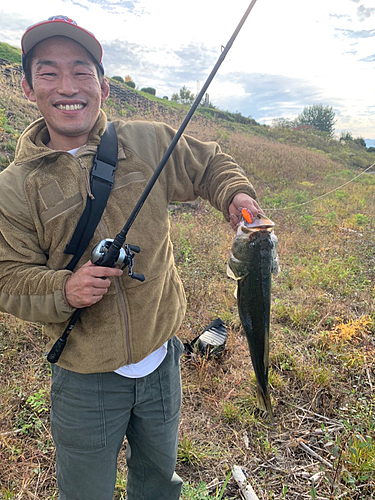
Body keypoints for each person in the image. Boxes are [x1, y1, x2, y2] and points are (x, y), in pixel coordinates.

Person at [0, 16, 263, 500]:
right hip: (83, 378)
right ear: (26, 87)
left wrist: (236, 198)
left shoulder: (146, 141)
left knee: (159, 486)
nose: (67, 87)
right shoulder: (14, 188)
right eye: (49, 72)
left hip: (162, 361)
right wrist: (64, 289)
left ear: (103, 86)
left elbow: (209, 165)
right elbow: (8, 277)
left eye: (81, 72)